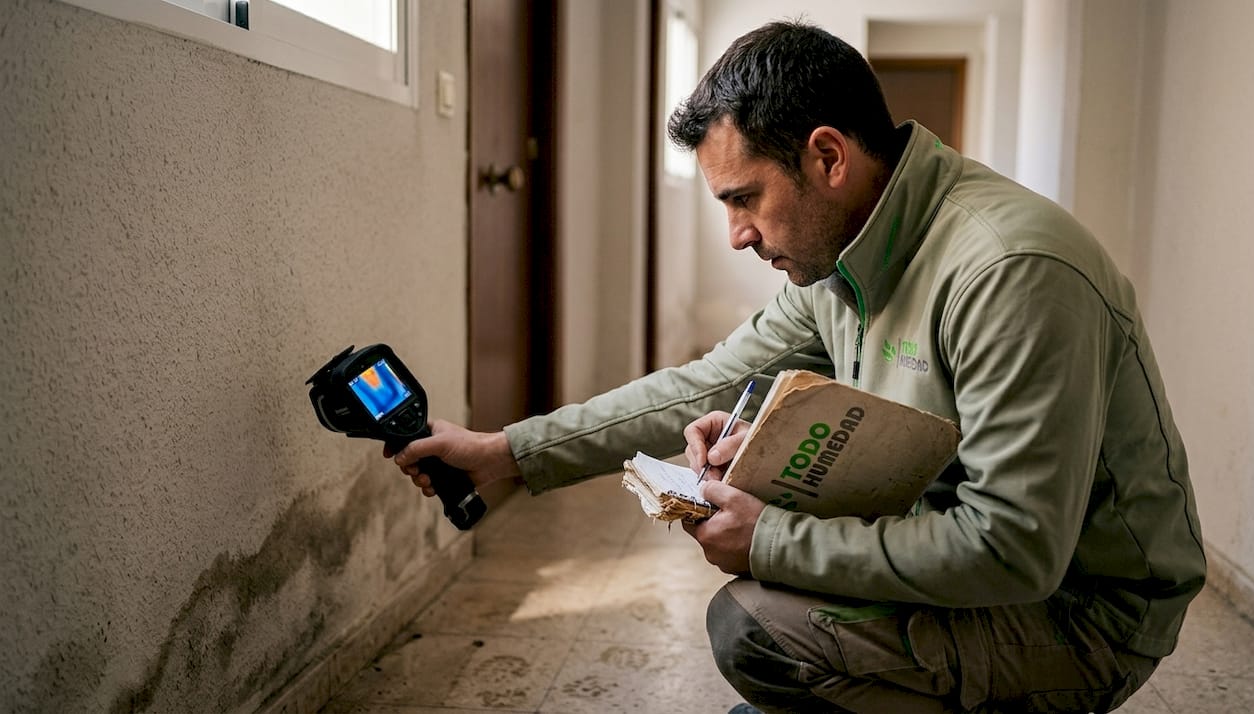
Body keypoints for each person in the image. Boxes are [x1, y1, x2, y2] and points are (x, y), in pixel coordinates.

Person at [390, 20, 1205, 714]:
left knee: (751, 627)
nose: (737, 234)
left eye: (744, 198)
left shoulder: (1008, 271)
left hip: (1085, 614)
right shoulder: (842, 258)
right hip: (992, 570)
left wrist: (772, 537)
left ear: (828, 158)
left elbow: (1015, 549)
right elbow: (703, 382)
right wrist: (505, 454)